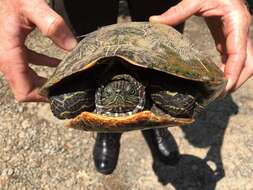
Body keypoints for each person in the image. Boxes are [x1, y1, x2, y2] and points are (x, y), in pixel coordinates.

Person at [0, 0, 252, 174]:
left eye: (129, 89)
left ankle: (156, 124)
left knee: (163, 26)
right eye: (110, 90)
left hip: (154, 62)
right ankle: (107, 130)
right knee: (88, 27)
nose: (118, 91)